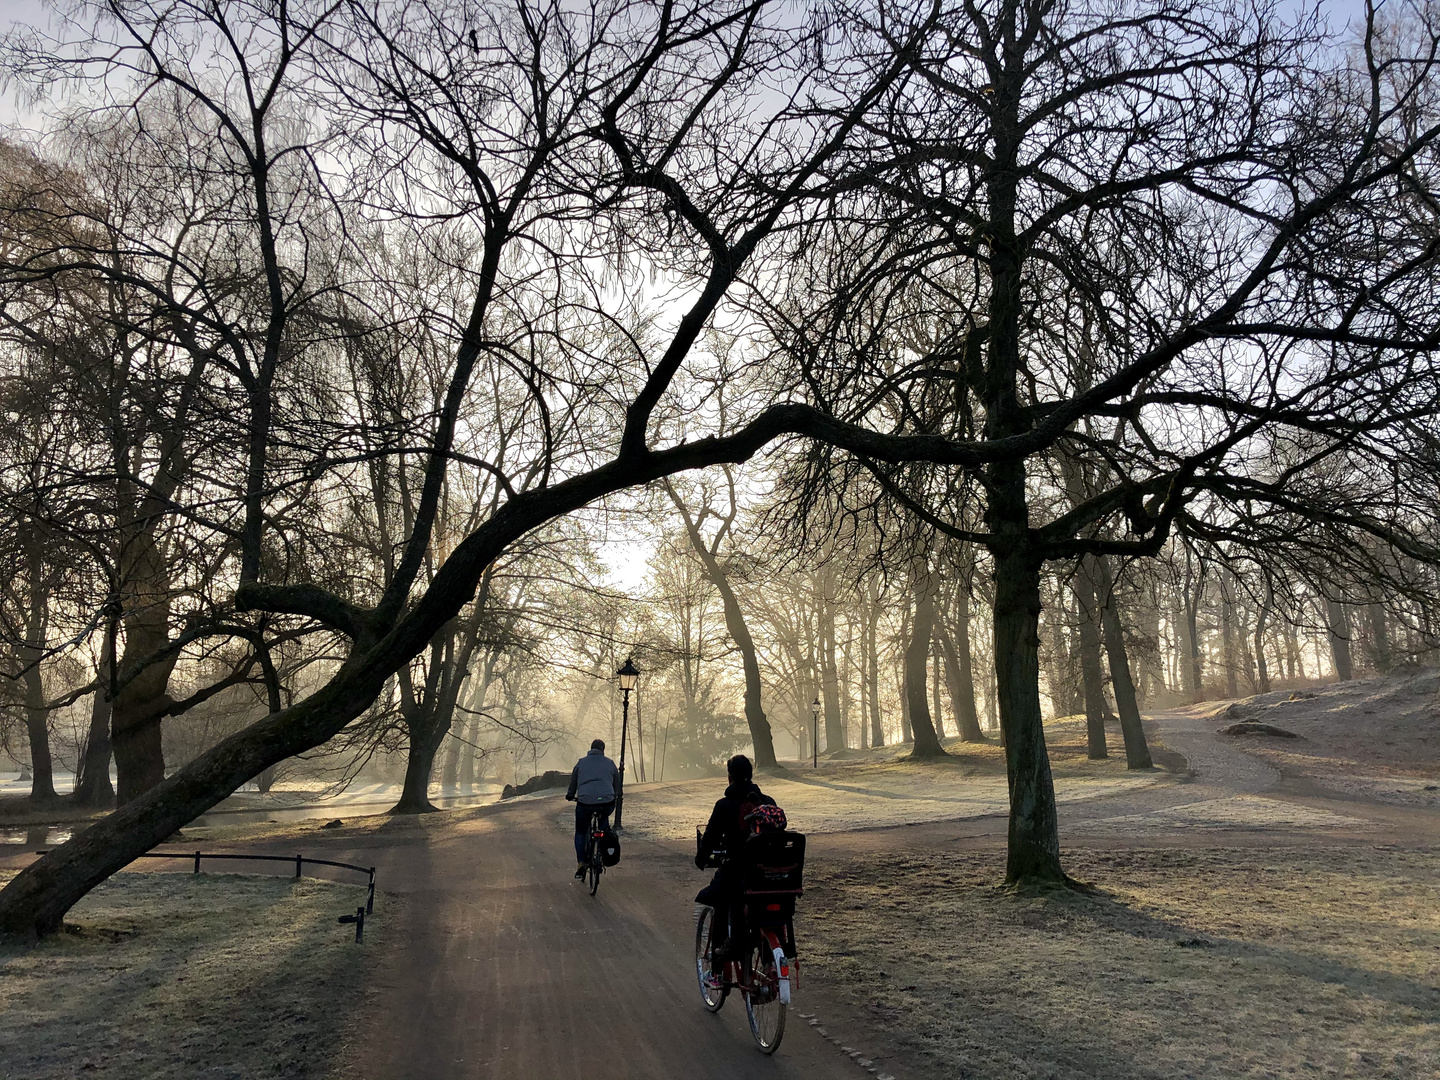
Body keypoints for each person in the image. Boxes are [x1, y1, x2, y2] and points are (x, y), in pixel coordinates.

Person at [694, 754, 776, 959]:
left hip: (738, 872)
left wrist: (701, 859)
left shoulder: (724, 805)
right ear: (751, 775)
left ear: (730, 777)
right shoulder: (768, 802)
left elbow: (711, 837)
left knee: (720, 895)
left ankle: (721, 956)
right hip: (767, 873)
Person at [566, 739, 620, 879]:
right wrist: (613, 796)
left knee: (581, 832)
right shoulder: (610, 763)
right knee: (604, 826)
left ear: (590, 749)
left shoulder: (581, 762)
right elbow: (617, 784)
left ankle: (582, 862)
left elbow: (573, 782)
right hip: (606, 802)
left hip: (585, 803)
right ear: (603, 750)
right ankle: (601, 855)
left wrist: (570, 795)